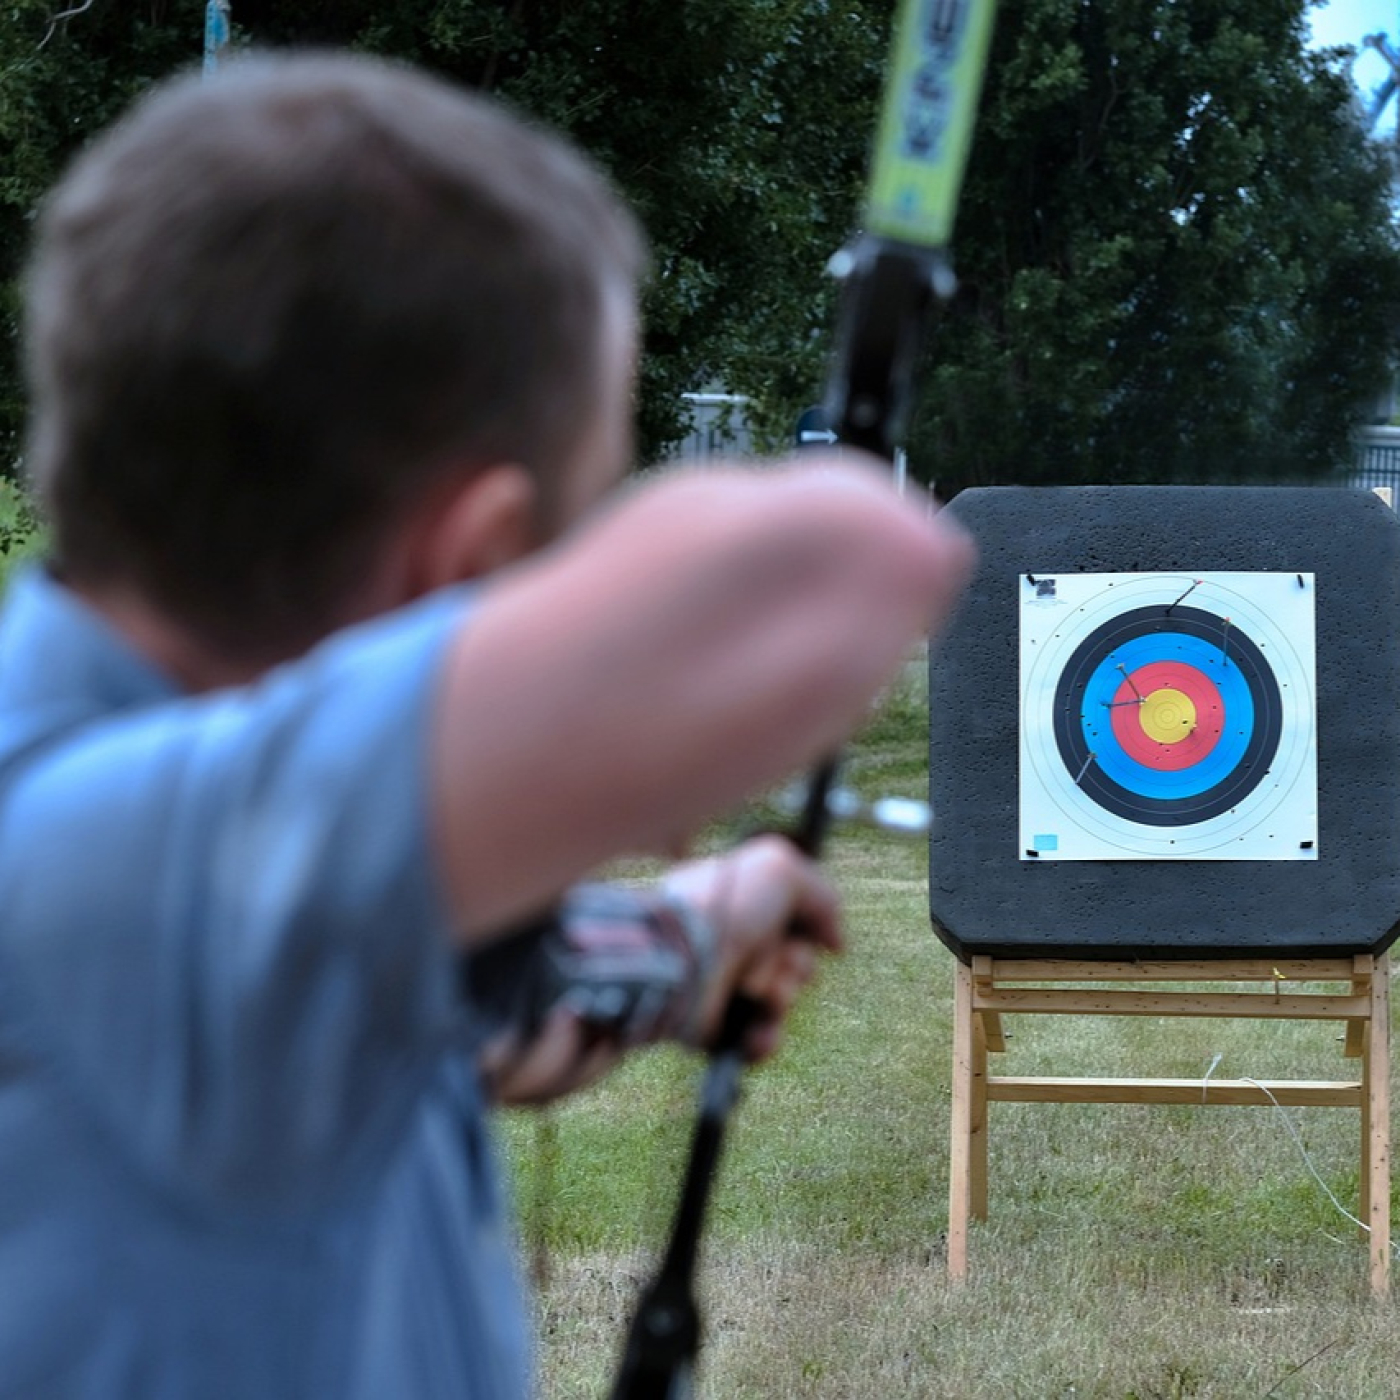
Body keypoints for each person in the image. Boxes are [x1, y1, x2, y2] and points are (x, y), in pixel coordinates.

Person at [0, 52, 975, 1398]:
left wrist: (693, 932)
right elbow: (851, 560)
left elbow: (427, 993)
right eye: (576, 519)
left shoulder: (201, 882)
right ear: (474, 559)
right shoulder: (116, 872)